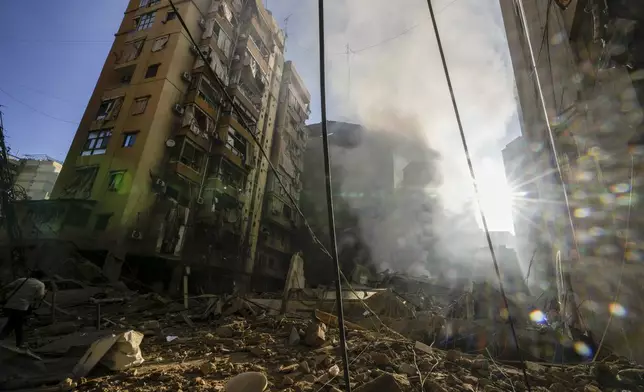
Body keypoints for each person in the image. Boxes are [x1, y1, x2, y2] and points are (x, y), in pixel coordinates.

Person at [0, 270, 46, 348]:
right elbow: (39, 296)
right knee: (18, 325)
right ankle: (19, 343)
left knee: (11, 323)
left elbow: (7, 287)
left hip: (10, 303)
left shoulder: (22, 280)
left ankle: (3, 337)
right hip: (21, 306)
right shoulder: (40, 284)